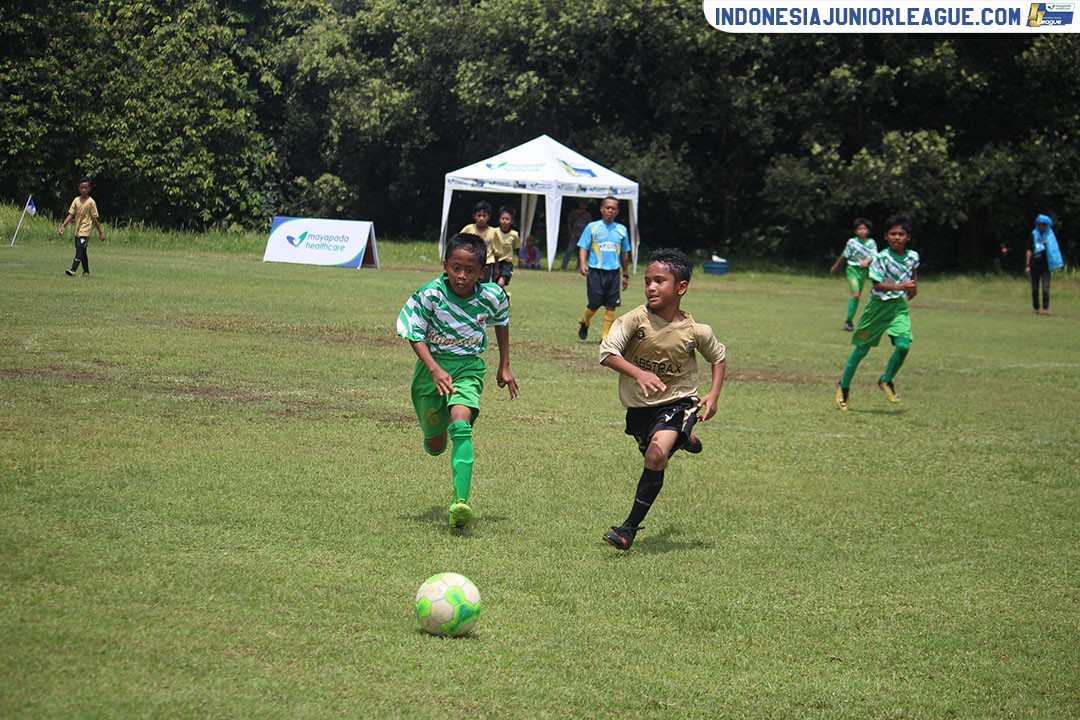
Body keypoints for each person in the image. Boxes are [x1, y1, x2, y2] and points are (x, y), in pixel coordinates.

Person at [597, 248, 727, 550]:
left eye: (660, 281)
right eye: (647, 281)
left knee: (656, 455)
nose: (651, 287)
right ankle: (682, 440)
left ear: (681, 287)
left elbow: (718, 358)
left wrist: (714, 395)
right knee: (652, 452)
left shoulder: (696, 331)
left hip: (679, 402)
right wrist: (638, 374)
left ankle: (627, 530)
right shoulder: (634, 320)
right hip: (640, 407)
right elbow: (606, 353)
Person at [396, 233, 519, 530]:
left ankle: (460, 502)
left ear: (483, 271)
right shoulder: (430, 295)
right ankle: (434, 436)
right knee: (436, 444)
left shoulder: (493, 296)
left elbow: (501, 322)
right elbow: (413, 333)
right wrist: (435, 370)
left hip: (468, 367)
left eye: (469, 270)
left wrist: (505, 365)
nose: (461, 276)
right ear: (445, 265)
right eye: (455, 268)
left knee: (461, 424)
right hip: (431, 371)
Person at [835, 214, 919, 411]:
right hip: (877, 309)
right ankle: (844, 386)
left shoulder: (914, 256)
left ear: (908, 237)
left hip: (898, 307)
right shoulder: (881, 258)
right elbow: (878, 285)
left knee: (903, 346)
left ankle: (886, 380)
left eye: (901, 234)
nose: (897, 237)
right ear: (886, 236)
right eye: (893, 234)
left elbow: (913, 274)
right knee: (862, 349)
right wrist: (902, 287)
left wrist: (914, 288)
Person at [576, 196, 630, 341]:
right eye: (607, 207)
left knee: (611, 305)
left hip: (613, 273)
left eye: (613, 208)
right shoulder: (592, 227)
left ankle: (605, 337)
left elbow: (625, 253)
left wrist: (625, 274)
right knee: (594, 303)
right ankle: (585, 321)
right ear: (601, 209)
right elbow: (583, 247)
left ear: (617, 211)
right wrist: (582, 264)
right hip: (595, 271)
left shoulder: (622, 230)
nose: (610, 211)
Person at [829, 218, 877, 331]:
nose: (862, 231)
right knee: (855, 294)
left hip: (863, 271)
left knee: (857, 297)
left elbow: (875, 255)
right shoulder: (852, 242)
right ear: (856, 231)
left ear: (868, 231)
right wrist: (836, 266)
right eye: (859, 229)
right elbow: (844, 255)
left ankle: (849, 320)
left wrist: (867, 261)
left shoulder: (871, 243)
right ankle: (848, 321)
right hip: (852, 270)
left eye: (864, 228)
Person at [58, 178, 105, 276]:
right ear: (79, 188)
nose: (83, 190)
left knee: (79, 249)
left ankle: (73, 269)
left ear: (89, 189)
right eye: (81, 188)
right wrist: (63, 226)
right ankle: (86, 271)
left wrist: (100, 233)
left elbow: (95, 219)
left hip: (86, 230)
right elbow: (71, 215)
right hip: (78, 231)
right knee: (82, 251)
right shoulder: (76, 200)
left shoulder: (91, 202)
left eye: (86, 188)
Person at [1026, 213, 1063, 316]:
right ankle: (1036, 308)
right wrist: (1027, 265)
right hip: (1034, 265)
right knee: (1034, 288)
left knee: (1046, 288)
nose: (1042, 226)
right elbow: (1029, 250)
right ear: (1037, 225)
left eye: (1044, 224)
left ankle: (1045, 309)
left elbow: (1054, 250)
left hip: (1046, 266)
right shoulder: (1033, 235)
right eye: (1041, 224)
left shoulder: (1050, 236)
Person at [460, 200, 499, 283]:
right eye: (479, 215)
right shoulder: (468, 229)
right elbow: (459, 243)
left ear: (488, 217)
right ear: (474, 216)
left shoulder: (493, 232)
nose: (481, 218)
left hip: (487, 263)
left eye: (484, 216)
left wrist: (496, 268)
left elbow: (497, 252)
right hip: (471, 261)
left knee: (483, 285)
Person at [491, 206, 521, 287]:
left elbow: (517, 247)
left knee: (501, 283)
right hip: (495, 261)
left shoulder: (514, 234)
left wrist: (520, 259)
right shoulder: (494, 232)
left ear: (512, 221)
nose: (505, 221)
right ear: (499, 220)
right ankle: (501, 298)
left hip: (507, 263)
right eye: (503, 218)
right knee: (495, 284)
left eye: (507, 219)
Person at [561, 199, 591, 271]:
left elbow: (589, 226)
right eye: (582, 204)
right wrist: (571, 233)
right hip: (574, 235)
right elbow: (570, 223)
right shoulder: (574, 213)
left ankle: (579, 267)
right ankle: (563, 266)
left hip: (582, 236)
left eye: (584, 204)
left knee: (581, 252)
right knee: (569, 251)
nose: (583, 205)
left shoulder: (587, 215)